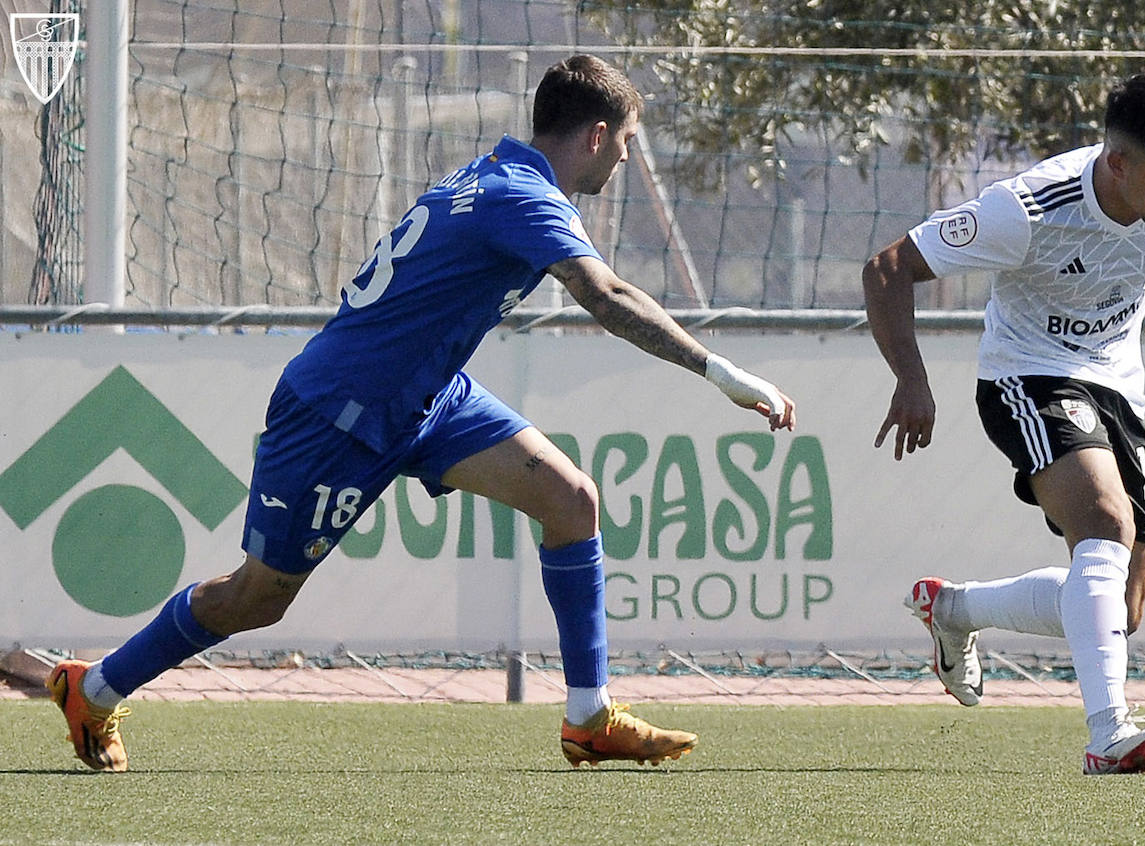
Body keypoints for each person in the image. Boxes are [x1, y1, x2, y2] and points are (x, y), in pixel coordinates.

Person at [48, 54, 797, 773]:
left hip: (428, 398)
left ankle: (589, 719)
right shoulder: (523, 196)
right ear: (598, 135)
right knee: (257, 599)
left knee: (571, 500)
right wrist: (717, 370)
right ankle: (94, 690)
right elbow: (607, 296)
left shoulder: (494, 173)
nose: (626, 161)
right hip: (338, 413)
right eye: (627, 142)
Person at [862, 73, 1145, 775]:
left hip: (1117, 382)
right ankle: (1108, 734)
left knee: (1120, 608)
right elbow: (888, 267)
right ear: (1118, 163)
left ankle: (954, 609)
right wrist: (911, 378)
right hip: (1028, 374)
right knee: (1107, 525)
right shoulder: (1024, 210)